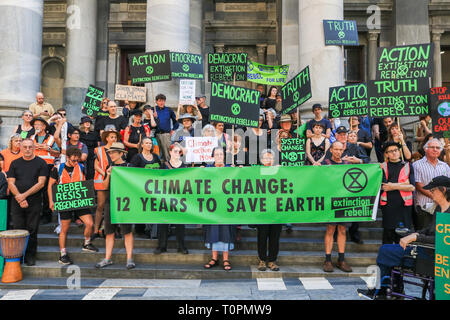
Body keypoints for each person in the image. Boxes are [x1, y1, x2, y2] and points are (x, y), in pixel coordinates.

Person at [357, 175, 450, 300]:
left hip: (434, 255)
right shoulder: (439, 208)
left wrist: (416, 238)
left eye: (433, 190)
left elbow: (441, 240)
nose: (430, 193)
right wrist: (414, 234)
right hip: (426, 248)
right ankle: (391, 287)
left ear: (443, 190)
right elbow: (429, 229)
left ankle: (385, 289)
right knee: (387, 249)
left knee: (385, 251)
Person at [48, 147, 98, 265]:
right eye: (73, 160)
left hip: (79, 199)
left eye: (77, 160)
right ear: (68, 158)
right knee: (64, 229)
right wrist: (51, 201)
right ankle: (63, 254)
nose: (75, 162)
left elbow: (85, 182)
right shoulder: (57, 168)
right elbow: (50, 185)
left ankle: (87, 242)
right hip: (65, 200)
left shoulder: (81, 167)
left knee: (90, 223)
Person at [7, 139, 48, 266]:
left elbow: (41, 183)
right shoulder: (15, 163)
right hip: (17, 202)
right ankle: (18, 256)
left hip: (34, 201)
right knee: (18, 228)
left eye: (30, 147)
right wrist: (19, 197)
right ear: (21, 147)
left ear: (34, 147)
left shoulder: (41, 163)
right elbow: (10, 182)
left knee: (32, 229)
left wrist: (23, 196)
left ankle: (30, 256)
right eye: (25, 147)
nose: (27, 149)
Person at [95, 142, 135, 269]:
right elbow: (105, 186)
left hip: (124, 203)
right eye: (110, 153)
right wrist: (109, 174)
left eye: (113, 152)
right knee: (109, 231)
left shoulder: (129, 166)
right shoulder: (109, 166)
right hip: (110, 201)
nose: (110, 155)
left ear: (121, 154)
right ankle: (107, 258)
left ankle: (129, 258)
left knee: (127, 231)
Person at [321, 141, 352, 272]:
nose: (339, 152)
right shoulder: (325, 164)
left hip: (344, 201)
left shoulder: (347, 164)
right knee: (330, 229)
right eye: (336, 149)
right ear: (331, 150)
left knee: (342, 230)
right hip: (330, 201)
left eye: (341, 149)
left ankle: (341, 259)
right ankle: (327, 260)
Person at [203, 147, 236, 271]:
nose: (219, 156)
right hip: (212, 206)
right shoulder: (208, 169)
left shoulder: (230, 169)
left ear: (224, 156)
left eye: (221, 154)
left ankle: (226, 259)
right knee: (213, 231)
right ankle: (214, 258)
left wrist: (240, 171)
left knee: (226, 231)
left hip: (226, 206)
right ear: (213, 156)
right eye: (216, 154)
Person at [155, 143, 189, 254]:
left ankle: (181, 246)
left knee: (180, 223)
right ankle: (161, 246)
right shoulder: (164, 165)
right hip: (165, 198)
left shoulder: (184, 167)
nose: (177, 153)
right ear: (170, 152)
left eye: (179, 151)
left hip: (180, 199)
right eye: (174, 151)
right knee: (163, 223)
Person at [380, 142, 415, 244]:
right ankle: (387, 258)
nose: (394, 153)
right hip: (388, 206)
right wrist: (404, 184)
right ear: (386, 154)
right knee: (388, 235)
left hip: (404, 206)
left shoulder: (408, 166)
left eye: (396, 150)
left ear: (399, 152)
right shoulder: (383, 167)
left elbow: (412, 187)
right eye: (390, 151)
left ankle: (402, 258)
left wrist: (393, 186)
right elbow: (385, 187)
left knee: (403, 235)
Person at [413, 138, 450, 230]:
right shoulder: (417, 165)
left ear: (441, 151)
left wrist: (440, 200)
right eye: (432, 147)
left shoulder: (445, 166)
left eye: (438, 147)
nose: (435, 149)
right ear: (425, 149)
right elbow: (418, 185)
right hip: (424, 207)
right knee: (424, 234)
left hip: (442, 208)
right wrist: (435, 197)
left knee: (439, 236)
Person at [92, 129, 121, 240]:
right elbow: (96, 166)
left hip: (116, 181)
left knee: (114, 206)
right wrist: (106, 174)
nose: (114, 139)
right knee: (100, 206)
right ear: (106, 138)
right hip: (102, 180)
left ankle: (116, 230)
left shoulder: (119, 150)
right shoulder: (99, 150)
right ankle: (95, 231)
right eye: (112, 137)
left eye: (115, 137)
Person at [30, 117, 60, 224]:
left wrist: (49, 149)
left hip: (47, 167)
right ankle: (35, 214)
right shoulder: (31, 138)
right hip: (33, 167)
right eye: (35, 125)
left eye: (39, 125)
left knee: (46, 192)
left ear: (44, 127)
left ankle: (47, 215)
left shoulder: (51, 138)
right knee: (34, 191)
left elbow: (58, 153)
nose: (37, 126)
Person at [256, 149, 282, 272]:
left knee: (275, 237)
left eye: (270, 158)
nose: (268, 160)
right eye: (266, 158)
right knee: (262, 236)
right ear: (261, 160)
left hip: (277, 210)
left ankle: (272, 260)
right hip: (262, 210)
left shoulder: (280, 171)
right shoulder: (256, 172)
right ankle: (262, 260)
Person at [1, 134, 23, 229]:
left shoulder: (24, 153)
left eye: (20, 140)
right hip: (6, 182)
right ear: (11, 142)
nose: (19, 142)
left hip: (20, 182)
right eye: (16, 141)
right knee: (6, 206)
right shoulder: (4, 153)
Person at [153, 94, 179, 162]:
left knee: (168, 154)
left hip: (166, 135)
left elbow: (176, 122)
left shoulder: (169, 110)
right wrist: (152, 116)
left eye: (163, 101)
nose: (162, 102)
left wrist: (173, 130)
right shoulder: (153, 110)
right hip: (155, 135)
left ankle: (169, 168)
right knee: (158, 153)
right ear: (156, 101)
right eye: (160, 101)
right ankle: (160, 168)